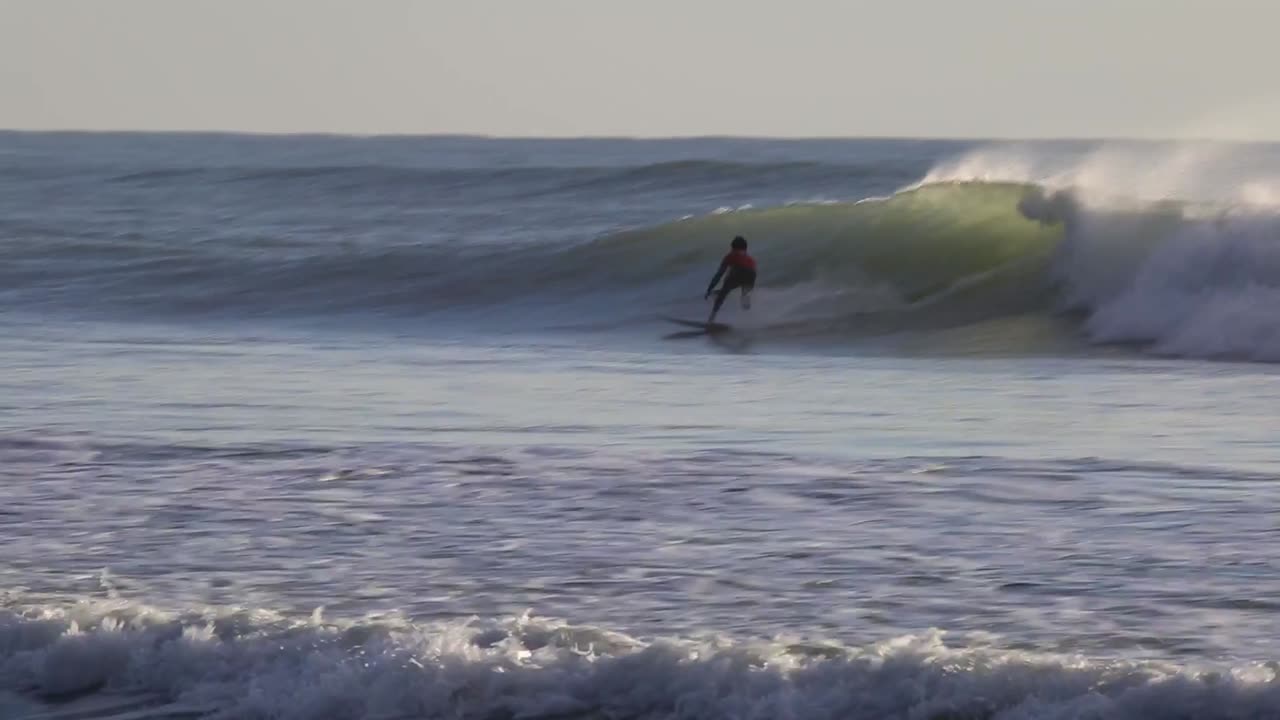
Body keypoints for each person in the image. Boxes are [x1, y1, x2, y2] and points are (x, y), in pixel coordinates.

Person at [704, 235, 757, 323]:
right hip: (751, 276)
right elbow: (752, 273)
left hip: (741, 273)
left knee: (723, 292)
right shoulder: (750, 259)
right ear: (745, 249)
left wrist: (709, 288)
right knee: (744, 296)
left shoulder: (730, 256)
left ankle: (711, 318)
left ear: (733, 249)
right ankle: (744, 297)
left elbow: (719, 274)